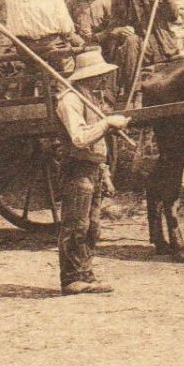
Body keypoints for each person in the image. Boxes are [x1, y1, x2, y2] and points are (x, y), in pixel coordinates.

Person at [52, 47, 130, 295]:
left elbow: (100, 145)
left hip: (93, 168)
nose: (103, 79)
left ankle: (86, 274)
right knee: (76, 225)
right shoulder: (70, 100)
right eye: (99, 75)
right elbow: (79, 138)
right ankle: (71, 278)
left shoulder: (91, 99)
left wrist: (105, 171)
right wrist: (106, 123)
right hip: (77, 168)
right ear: (87, 76)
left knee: (93, 226)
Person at [108, 0, 181, 79]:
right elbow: (113, 25)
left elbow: (173, 16)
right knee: (130, 42)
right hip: (135, 44)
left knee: (131, 44)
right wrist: (119, 30)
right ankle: (133, 87)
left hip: (158, 42)